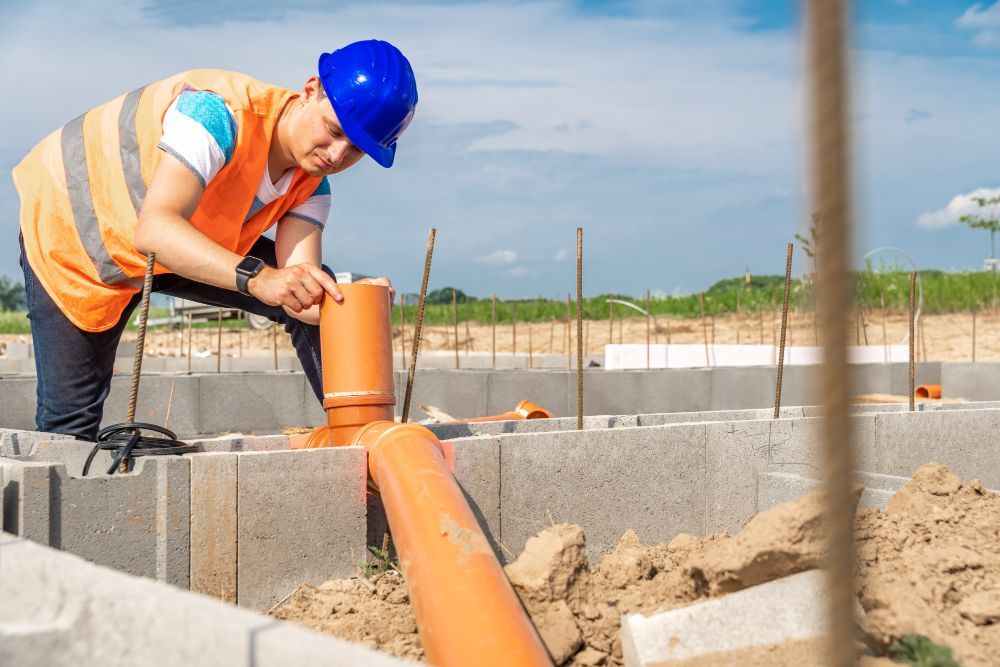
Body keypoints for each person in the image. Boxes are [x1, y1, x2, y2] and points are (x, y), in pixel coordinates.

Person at [12, 39, 418, 441]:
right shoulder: (217, 115)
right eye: (334, 130)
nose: (336, 154)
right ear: (310, 90)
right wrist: (259, 279)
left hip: (175, 249)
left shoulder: (311, 187)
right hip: (73, 234)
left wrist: (356, 302)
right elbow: (155, 230)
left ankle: (359, 438)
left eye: (357, 149)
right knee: (70, 432)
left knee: (316, 280)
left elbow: (303, 295)